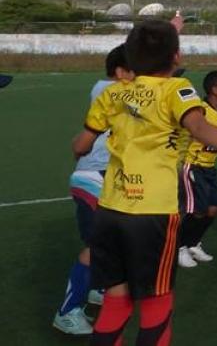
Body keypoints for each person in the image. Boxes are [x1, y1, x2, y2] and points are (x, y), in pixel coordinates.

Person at [71, 19, 217, 345]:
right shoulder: (177, 90)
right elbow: (197, 126)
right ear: (177, 58)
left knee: (116, 298)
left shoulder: (114, 93)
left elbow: (80, 146)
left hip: (111, 208)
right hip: (152, 211)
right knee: (156, 301)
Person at [53, 45, 131, 335]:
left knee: (114, 241)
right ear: (121, 72)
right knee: (101, 246)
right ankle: (68, 311)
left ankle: (96, 286)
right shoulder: (106, 88)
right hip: (94, 177)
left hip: (108, 175)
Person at [176, 71, 217, 268]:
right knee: (197, 211)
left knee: (213, 209)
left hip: (209, 167)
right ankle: (179, 247)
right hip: (194, 165)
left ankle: (193, 243)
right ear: (214, 90)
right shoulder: (200, 110)